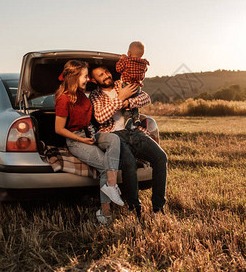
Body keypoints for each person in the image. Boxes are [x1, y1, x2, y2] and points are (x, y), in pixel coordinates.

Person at [89, 65, 167, 219]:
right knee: (129, 162)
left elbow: (145, 98)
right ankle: (134, 207)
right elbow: (100, 117)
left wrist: (127, 103)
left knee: (161, 157)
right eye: (100, 75)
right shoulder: (95, 95)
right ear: (94, 80)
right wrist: (121, 98)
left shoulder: (122, 84)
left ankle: (158, 207)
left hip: (133, 131)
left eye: (106, 72)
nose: (105, 76)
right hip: (113, 135)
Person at [54, 60, 123, 225]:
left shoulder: (82, 93)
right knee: (105, 166)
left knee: (114, 138)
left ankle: (111, 185)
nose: (87, 79)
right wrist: (80, 139)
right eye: (84, 76)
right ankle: (105, 213)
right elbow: (59, 129)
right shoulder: (64, 99)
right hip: (76, 139)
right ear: (74, 77)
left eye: (87, 77)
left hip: (92, 133)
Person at [115, 41, 150, 128]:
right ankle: (136, 118)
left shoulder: (126, 61)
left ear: (129, 53)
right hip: (136, 86)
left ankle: (128, 119)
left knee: (126, 104)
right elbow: (144, 73)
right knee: (134, 104)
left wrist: (122, 59)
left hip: (126, 85)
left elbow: (118, 69)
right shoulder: (144, 64)